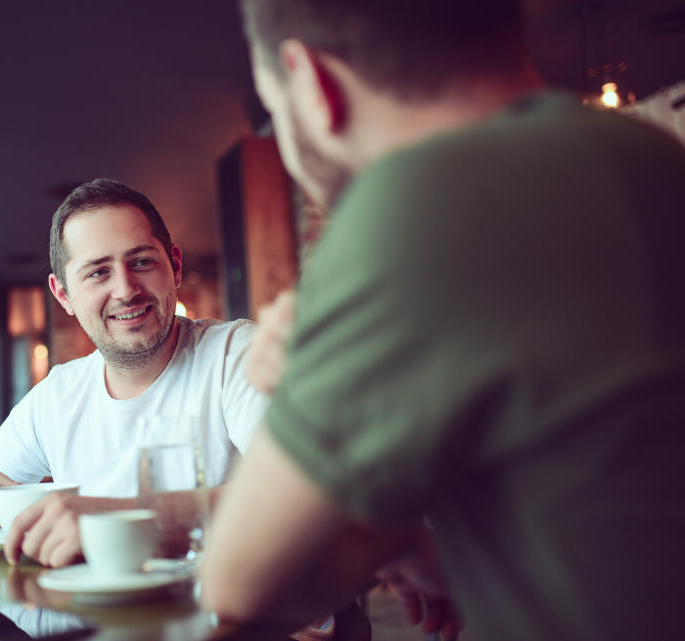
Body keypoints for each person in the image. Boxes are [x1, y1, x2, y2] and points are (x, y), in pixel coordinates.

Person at [201, 2, 685, 640]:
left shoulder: (417, 204)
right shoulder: (653, 156)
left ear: (310, 83)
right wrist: (428, 552)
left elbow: (237, 583)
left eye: (274, 105)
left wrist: (301, 379)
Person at [0, 178, 266, 567]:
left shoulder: (237, 353)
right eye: (97, 273)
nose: (126, 290)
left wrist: (109, 519)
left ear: (174, 266)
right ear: (63, 295)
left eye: (141, 262)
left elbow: (298, 489)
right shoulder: (58, 394)